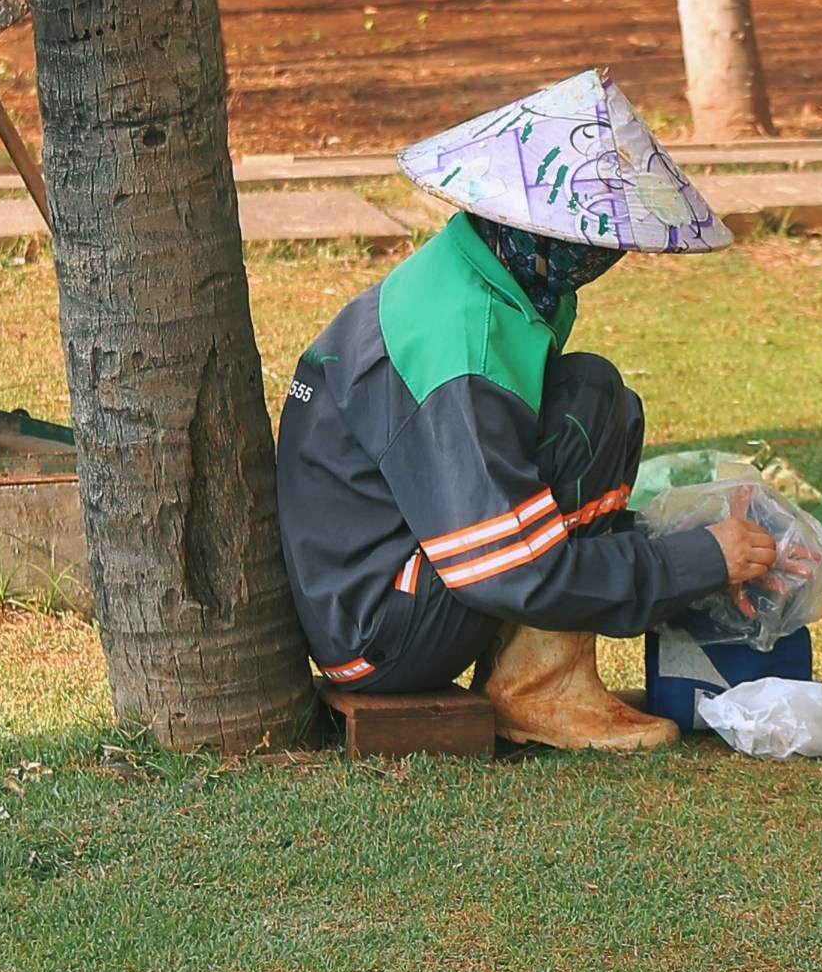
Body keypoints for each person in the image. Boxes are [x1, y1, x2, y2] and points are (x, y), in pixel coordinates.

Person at [274, 67, 779, 755]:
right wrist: (696, 562)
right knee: (589, 408)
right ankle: (539, 691)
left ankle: (538, 677)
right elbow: (512, 570)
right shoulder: (465, 343)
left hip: (376, 587)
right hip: (380, 634)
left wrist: (693, 538)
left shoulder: (474, 272)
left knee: (592, 399)